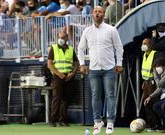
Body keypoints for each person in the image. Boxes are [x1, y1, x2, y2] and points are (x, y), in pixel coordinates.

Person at [77, 6, 123, 135]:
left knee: (110, 95)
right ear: (92, 14)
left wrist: (119, 63)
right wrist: (82, 64)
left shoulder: (111, 30)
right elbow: (80, 48)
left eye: (100, 12)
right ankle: (97, 123)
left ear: (104, 15)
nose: (98, 13)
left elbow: (119, 47)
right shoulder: (87, 31)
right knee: (96, 96)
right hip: (94, 68)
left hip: (109, 68)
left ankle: (110, 123)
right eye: (96, 11)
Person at [47, 31, 79, 127]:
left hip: (68, 77)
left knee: (65, 99)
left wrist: (72, 73)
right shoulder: (54, 48)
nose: (61, 39)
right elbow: (49, 64)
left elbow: (76, 63)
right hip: (57, 76)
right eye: (59, 37)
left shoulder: (71, 49)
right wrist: (59, 74)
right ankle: (52, 120)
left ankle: (63, 120)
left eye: (63, 37)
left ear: (66, 39)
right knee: (57, 98)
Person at [144, 58, 165, 130]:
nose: (157, 69)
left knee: (161, 105)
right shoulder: (164, 73)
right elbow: (160, 89)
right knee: (155, 106)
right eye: (155, 67)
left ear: (164, 66)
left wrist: (155, 74)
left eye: (158, 66)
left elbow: (159, 84)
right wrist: (150, 96)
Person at [140, 38, 159, 129]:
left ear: (150, 45)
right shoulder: (144, 55)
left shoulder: (155, 54)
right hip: (146, 82)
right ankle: (151, 123)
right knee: (146, 103)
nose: (143, 45)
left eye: (145, 43)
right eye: (142, 43)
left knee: (152, 102)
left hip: (152, 82)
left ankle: (156, 123)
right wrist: (144, 82)